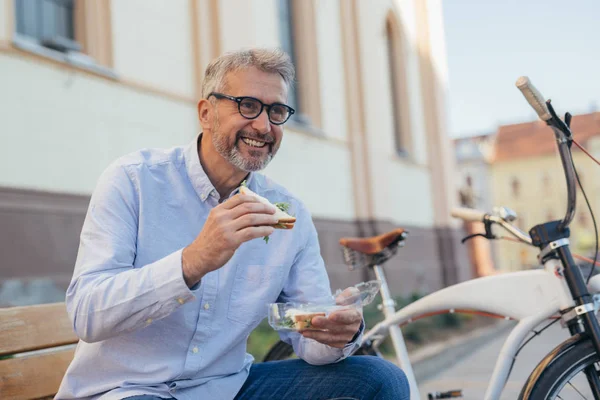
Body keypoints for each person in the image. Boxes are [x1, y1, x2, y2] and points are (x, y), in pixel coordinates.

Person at [56, 48, 409, 400]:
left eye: (276, 111)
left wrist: (336, 333)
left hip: (227, 387)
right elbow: (87, 314)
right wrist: (193, 261)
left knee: (379, 379)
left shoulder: (290, 215)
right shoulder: (133, 181)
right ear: (206, 113)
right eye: (248, 105)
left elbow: (308, 339)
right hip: (125, 389)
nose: (263, 125)